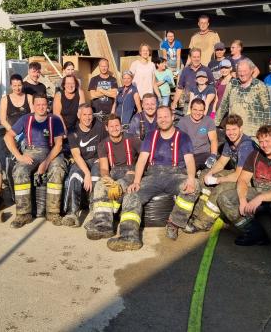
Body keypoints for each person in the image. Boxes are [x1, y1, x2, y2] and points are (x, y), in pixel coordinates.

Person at [107, 105, 199, 251]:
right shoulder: (151, 136)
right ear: (156, 119)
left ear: (172, 117)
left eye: (166, 116)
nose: (163, 120)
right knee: (131, 195)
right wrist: (136, 181)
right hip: (153, 175)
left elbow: (189, 161)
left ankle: (174, 223)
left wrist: (191, 179)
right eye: (160, 117)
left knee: (195, 186)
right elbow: (142, 160)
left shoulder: (183, 137)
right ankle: (129, 236)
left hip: (176, 175)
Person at [216, 125, 271, 262]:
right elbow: (243, 179)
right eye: (261, 142)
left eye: (267, 141)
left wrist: (261, 198)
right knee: (225, 198)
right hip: (257, 192)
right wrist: (243, 199)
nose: (264, 145)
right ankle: (254, 233)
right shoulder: (255, 155)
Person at [184, 114, 258, 233]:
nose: (231, 133)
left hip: (248, 181)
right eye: (228, 130)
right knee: (204, 175)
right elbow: (222, 162)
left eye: (234, 129)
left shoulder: (246, 146)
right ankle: (197, 213)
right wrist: (210, 173)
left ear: (241, 129)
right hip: (237, 173)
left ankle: (202, 223)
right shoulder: (230, 142)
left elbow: (239, 176)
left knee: (220, 189)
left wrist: (217, 180)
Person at [4, 94, 67, 227]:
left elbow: (59, 144)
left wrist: (46, 162)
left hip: (52, 152)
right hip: (31, 152)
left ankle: (53, 213)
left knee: (57, 169)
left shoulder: (54, 119)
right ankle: (23, 214)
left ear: (48, 105)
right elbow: (7, 137)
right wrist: (19, 156)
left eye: (44, 104)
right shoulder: (26, 119)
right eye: (38, 104)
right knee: (20, 170)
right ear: (33, 106)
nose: (41, 107)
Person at [85, 114, 142, 240]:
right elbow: (104, 168)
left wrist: (135, 171)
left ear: (121, 127)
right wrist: (106, 178)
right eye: (111, 126)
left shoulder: (133, 139)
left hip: (130, 172)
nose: (115, 128)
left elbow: (144, 157)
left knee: (119, 185)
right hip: (114, 172)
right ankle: (103, 226)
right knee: (100, 185)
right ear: (106, 128)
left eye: (117, 125)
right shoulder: (103, 145)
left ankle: (109, 220)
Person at [63, 103, 106, 227]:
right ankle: (72, 213)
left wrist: (102, 159)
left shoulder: (100, 126)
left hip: (96, 159)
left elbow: (106, 145)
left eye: (90, 115)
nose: (87, 118)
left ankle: (95, 212)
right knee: (74, 177)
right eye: (84, 115)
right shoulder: (72, 130)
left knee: (96, 178)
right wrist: (86, 172)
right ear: (79, 115)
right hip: (81, 160)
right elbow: (76, 155)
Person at [216, 59, 271, 139]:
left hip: (254, 133)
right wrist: (215, 124)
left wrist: (266, 131)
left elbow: (267, 110)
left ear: (252, 71)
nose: (242, 74)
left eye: (245, 71)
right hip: (235, 132)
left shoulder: (260, 86)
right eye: (239, 71)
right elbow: (223, 105)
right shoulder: (232, 84)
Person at [177, 99, 217, 169]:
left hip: (203, 153)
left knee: (211, 167)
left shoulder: (208, 121)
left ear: (204, 111)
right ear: (191, 109)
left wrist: (213, 155)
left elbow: (213, 139)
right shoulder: (183, 122)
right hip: (188, 154)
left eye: (200, 110)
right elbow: (179, 141)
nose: (198, 113)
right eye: (195, 109)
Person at [171, 48, 214, 114]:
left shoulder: (207, 70)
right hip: (188, 104)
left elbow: (212, 87)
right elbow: (180, 88)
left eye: (198, 57)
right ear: (190, 57)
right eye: (194, 57)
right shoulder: (185, 70)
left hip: (203, 105)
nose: (196, 59)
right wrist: (174, 104)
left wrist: (213, 107)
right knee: (187, 122)